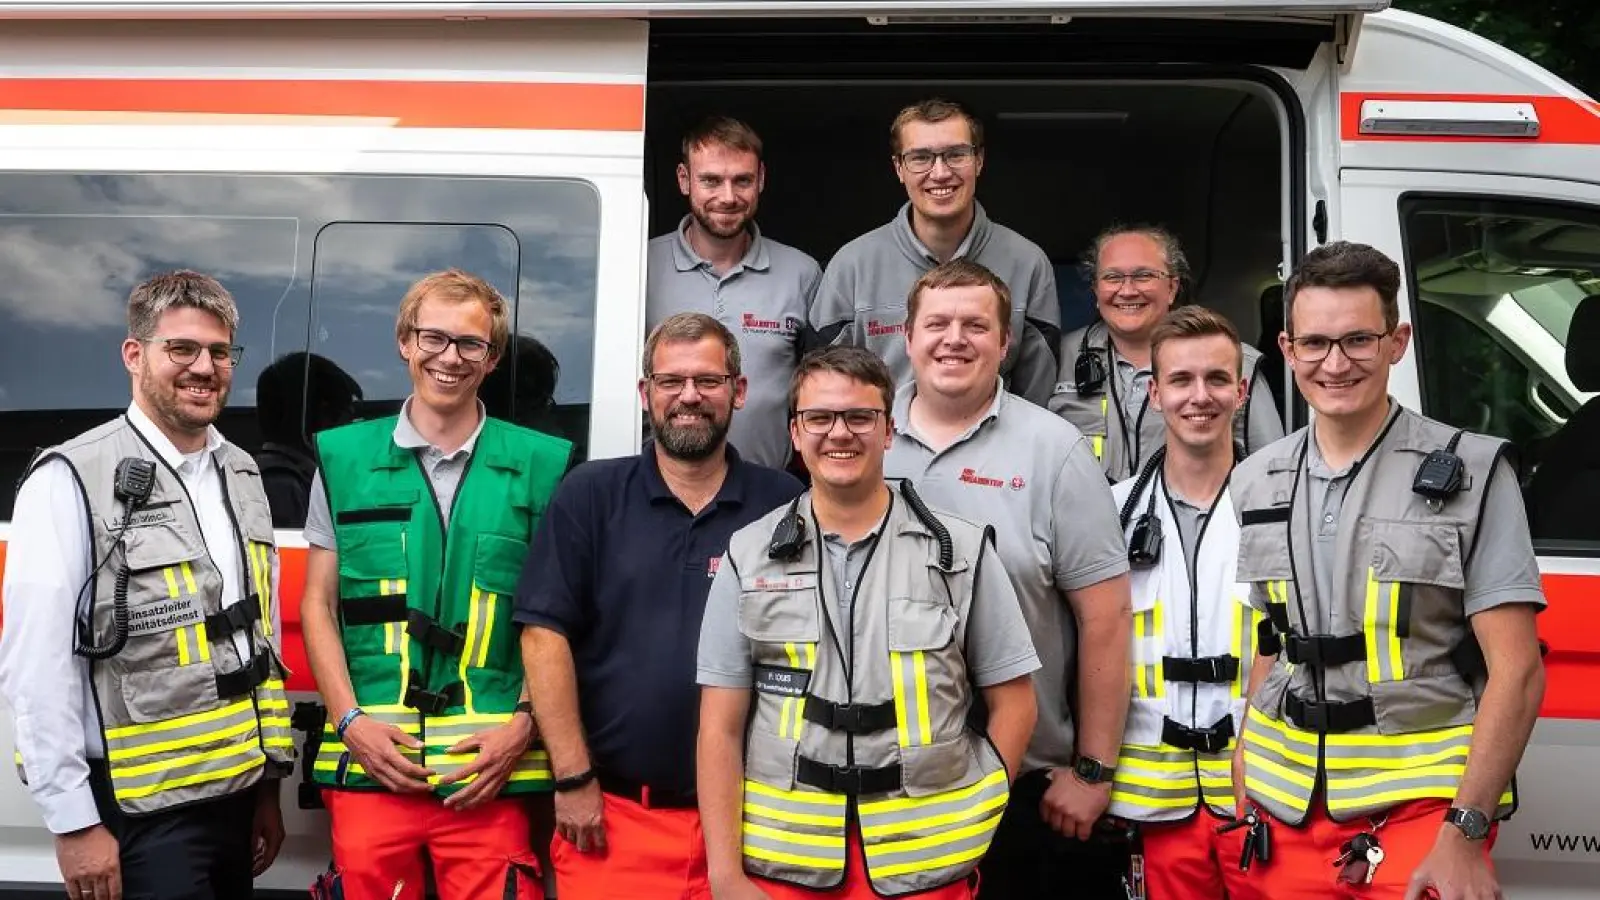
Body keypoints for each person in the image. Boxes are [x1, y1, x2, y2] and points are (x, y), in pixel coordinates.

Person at [1229, 242, 1546, 900]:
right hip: (1282, 808)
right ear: (1287, 350)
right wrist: (1244, 763)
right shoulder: (1255, 478)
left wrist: (1464, 831)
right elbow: (1271, 638)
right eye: (1315, 343)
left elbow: (1518, 670)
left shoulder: (1475, 475)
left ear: (1396, 341)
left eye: (1357, 340)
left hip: (1420, 816)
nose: (1335, 363)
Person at [696, 345, 1042, 900]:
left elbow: (1016, 701)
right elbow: (719, 726)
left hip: (930, 866)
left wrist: (979, 810)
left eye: (860, 416)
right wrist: (726, 876)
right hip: (786, 867)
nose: (840, 433)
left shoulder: (960, 551)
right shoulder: (749, 554)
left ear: (888, 431)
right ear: (794, 433)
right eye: (819, 417)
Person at [0, 270, 292, 900]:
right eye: (181, 349)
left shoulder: (239, 471)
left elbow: (254, 642)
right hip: (138, 812)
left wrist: (266, 786)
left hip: (232, 796)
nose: (204, 368)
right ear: (135, 355)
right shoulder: (69, 477)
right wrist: (74, 822)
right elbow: (36, 668)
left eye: (219, 352)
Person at [299, 269, 571, 900]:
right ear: (405, 341)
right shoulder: (341, 460)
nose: (450, 357)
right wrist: (350, 721)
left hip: (491, 772)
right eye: (434, 338)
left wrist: (526, 723)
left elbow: (554, 616)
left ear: (493, 357)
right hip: (373, 769)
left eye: (470, 344)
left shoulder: (543, 467)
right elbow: (318, 602)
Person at [515, 313, 804, 900]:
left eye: (708, 380)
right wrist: (572, 778)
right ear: (646, 394)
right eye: (671, 382)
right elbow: (544, 635)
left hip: (763, 825)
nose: (689, 397)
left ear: (739, 391)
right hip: (616, 821)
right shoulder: (590, 495)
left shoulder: (786, 505)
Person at [879, 259, 1134, 898]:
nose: (954, 339)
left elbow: (1105, 618)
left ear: (1005, 343)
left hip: (1026, 783)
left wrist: (1094, 772)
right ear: (907, 339)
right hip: (888, 780)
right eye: (936, 323)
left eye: (975, 325)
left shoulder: (1056, 451)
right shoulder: (863, 441)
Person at [1104, 306, 1263, 900]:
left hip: (1262, 795)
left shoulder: (1280, 507)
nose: (1201, 396)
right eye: (1181, 380)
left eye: (1218, 379)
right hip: (1154, 802)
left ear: (1242, 390)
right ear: (1153, 393)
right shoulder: (1110, 514)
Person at [808, 98, 1060, 406]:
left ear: (979, 160)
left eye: (956, 155)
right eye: (920, 158)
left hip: (996, 453)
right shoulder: (851, 267)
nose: (940, 173)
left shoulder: (1028, 264)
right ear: (898, 167)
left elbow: (1037, 397)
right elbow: (823, 391)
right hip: (886, 453)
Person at [646, 116, 823, 470]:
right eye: (711, 180)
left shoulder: (802, 274)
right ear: (684, 180)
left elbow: (820, 392)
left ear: (760, 180)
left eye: (742, 180)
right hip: (659, 495)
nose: (727, 197)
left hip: (769, 498)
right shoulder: (641, 266)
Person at [1049, 225, 1284, 482]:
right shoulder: (1057, 358)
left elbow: (1272, 472)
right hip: (1085, 520)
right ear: (1096, 291)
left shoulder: (1238, 362)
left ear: (1172, 288)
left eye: (1144, 276)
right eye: (1112, 277)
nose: (1127, 291)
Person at [254, 351, 363, 527]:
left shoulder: (295, 476)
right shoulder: (281, 484)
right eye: (346, 414)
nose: (350, 427)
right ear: (321, 414)